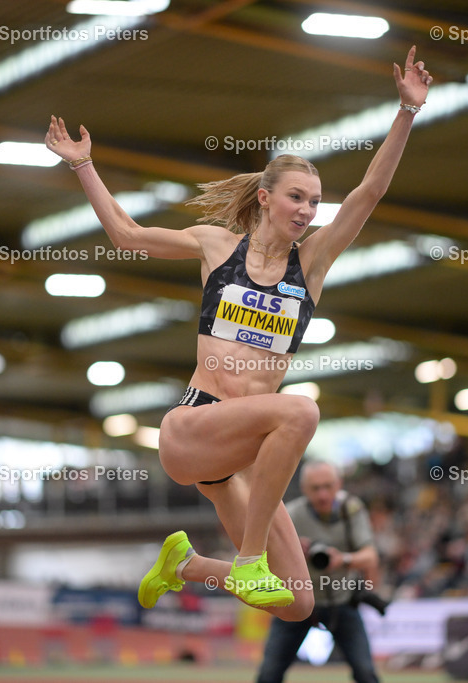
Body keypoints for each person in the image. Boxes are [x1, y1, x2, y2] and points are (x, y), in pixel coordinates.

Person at [44, 47, 432, 621]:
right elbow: (126, 235)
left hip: (244, 459)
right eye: (297, 197)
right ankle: (249, 557)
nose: (307, 211)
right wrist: (82, 164)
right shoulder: (216, 246)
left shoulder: (313, 265)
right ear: (265, 197)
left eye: (315, 203)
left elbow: (369, 193)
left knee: (299, 604)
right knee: (299, 412)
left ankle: (189, 566)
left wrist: (406, 112)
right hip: (193, 427)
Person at [256, 460, 382, 683]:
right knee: (268, 674)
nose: (323, 495)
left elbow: (371, 557)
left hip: (342, 601)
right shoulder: (290, 515)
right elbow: (266, 560)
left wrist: (341, 559)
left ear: (339, 484)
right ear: (304, 489)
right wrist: (293, 553)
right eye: (316, 488)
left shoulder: (352, 510)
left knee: (366, 672)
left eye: (328, 486)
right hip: (296, 603)